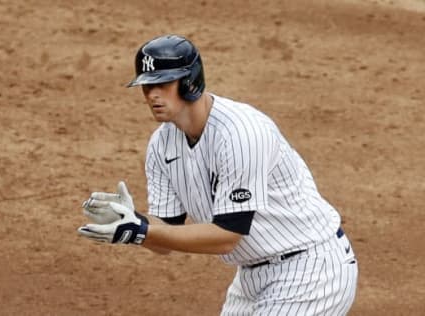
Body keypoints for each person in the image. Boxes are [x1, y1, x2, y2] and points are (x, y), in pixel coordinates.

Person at [77, 34, 358, 315]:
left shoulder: (241, 133)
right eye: (147, 86)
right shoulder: (161, 145)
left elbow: (227, 236)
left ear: (189, 82)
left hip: (310, 270)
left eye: (163, 84)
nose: (152, 95)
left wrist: (139, 233)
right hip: (251, 276)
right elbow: (166, 235)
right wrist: (132, 220)